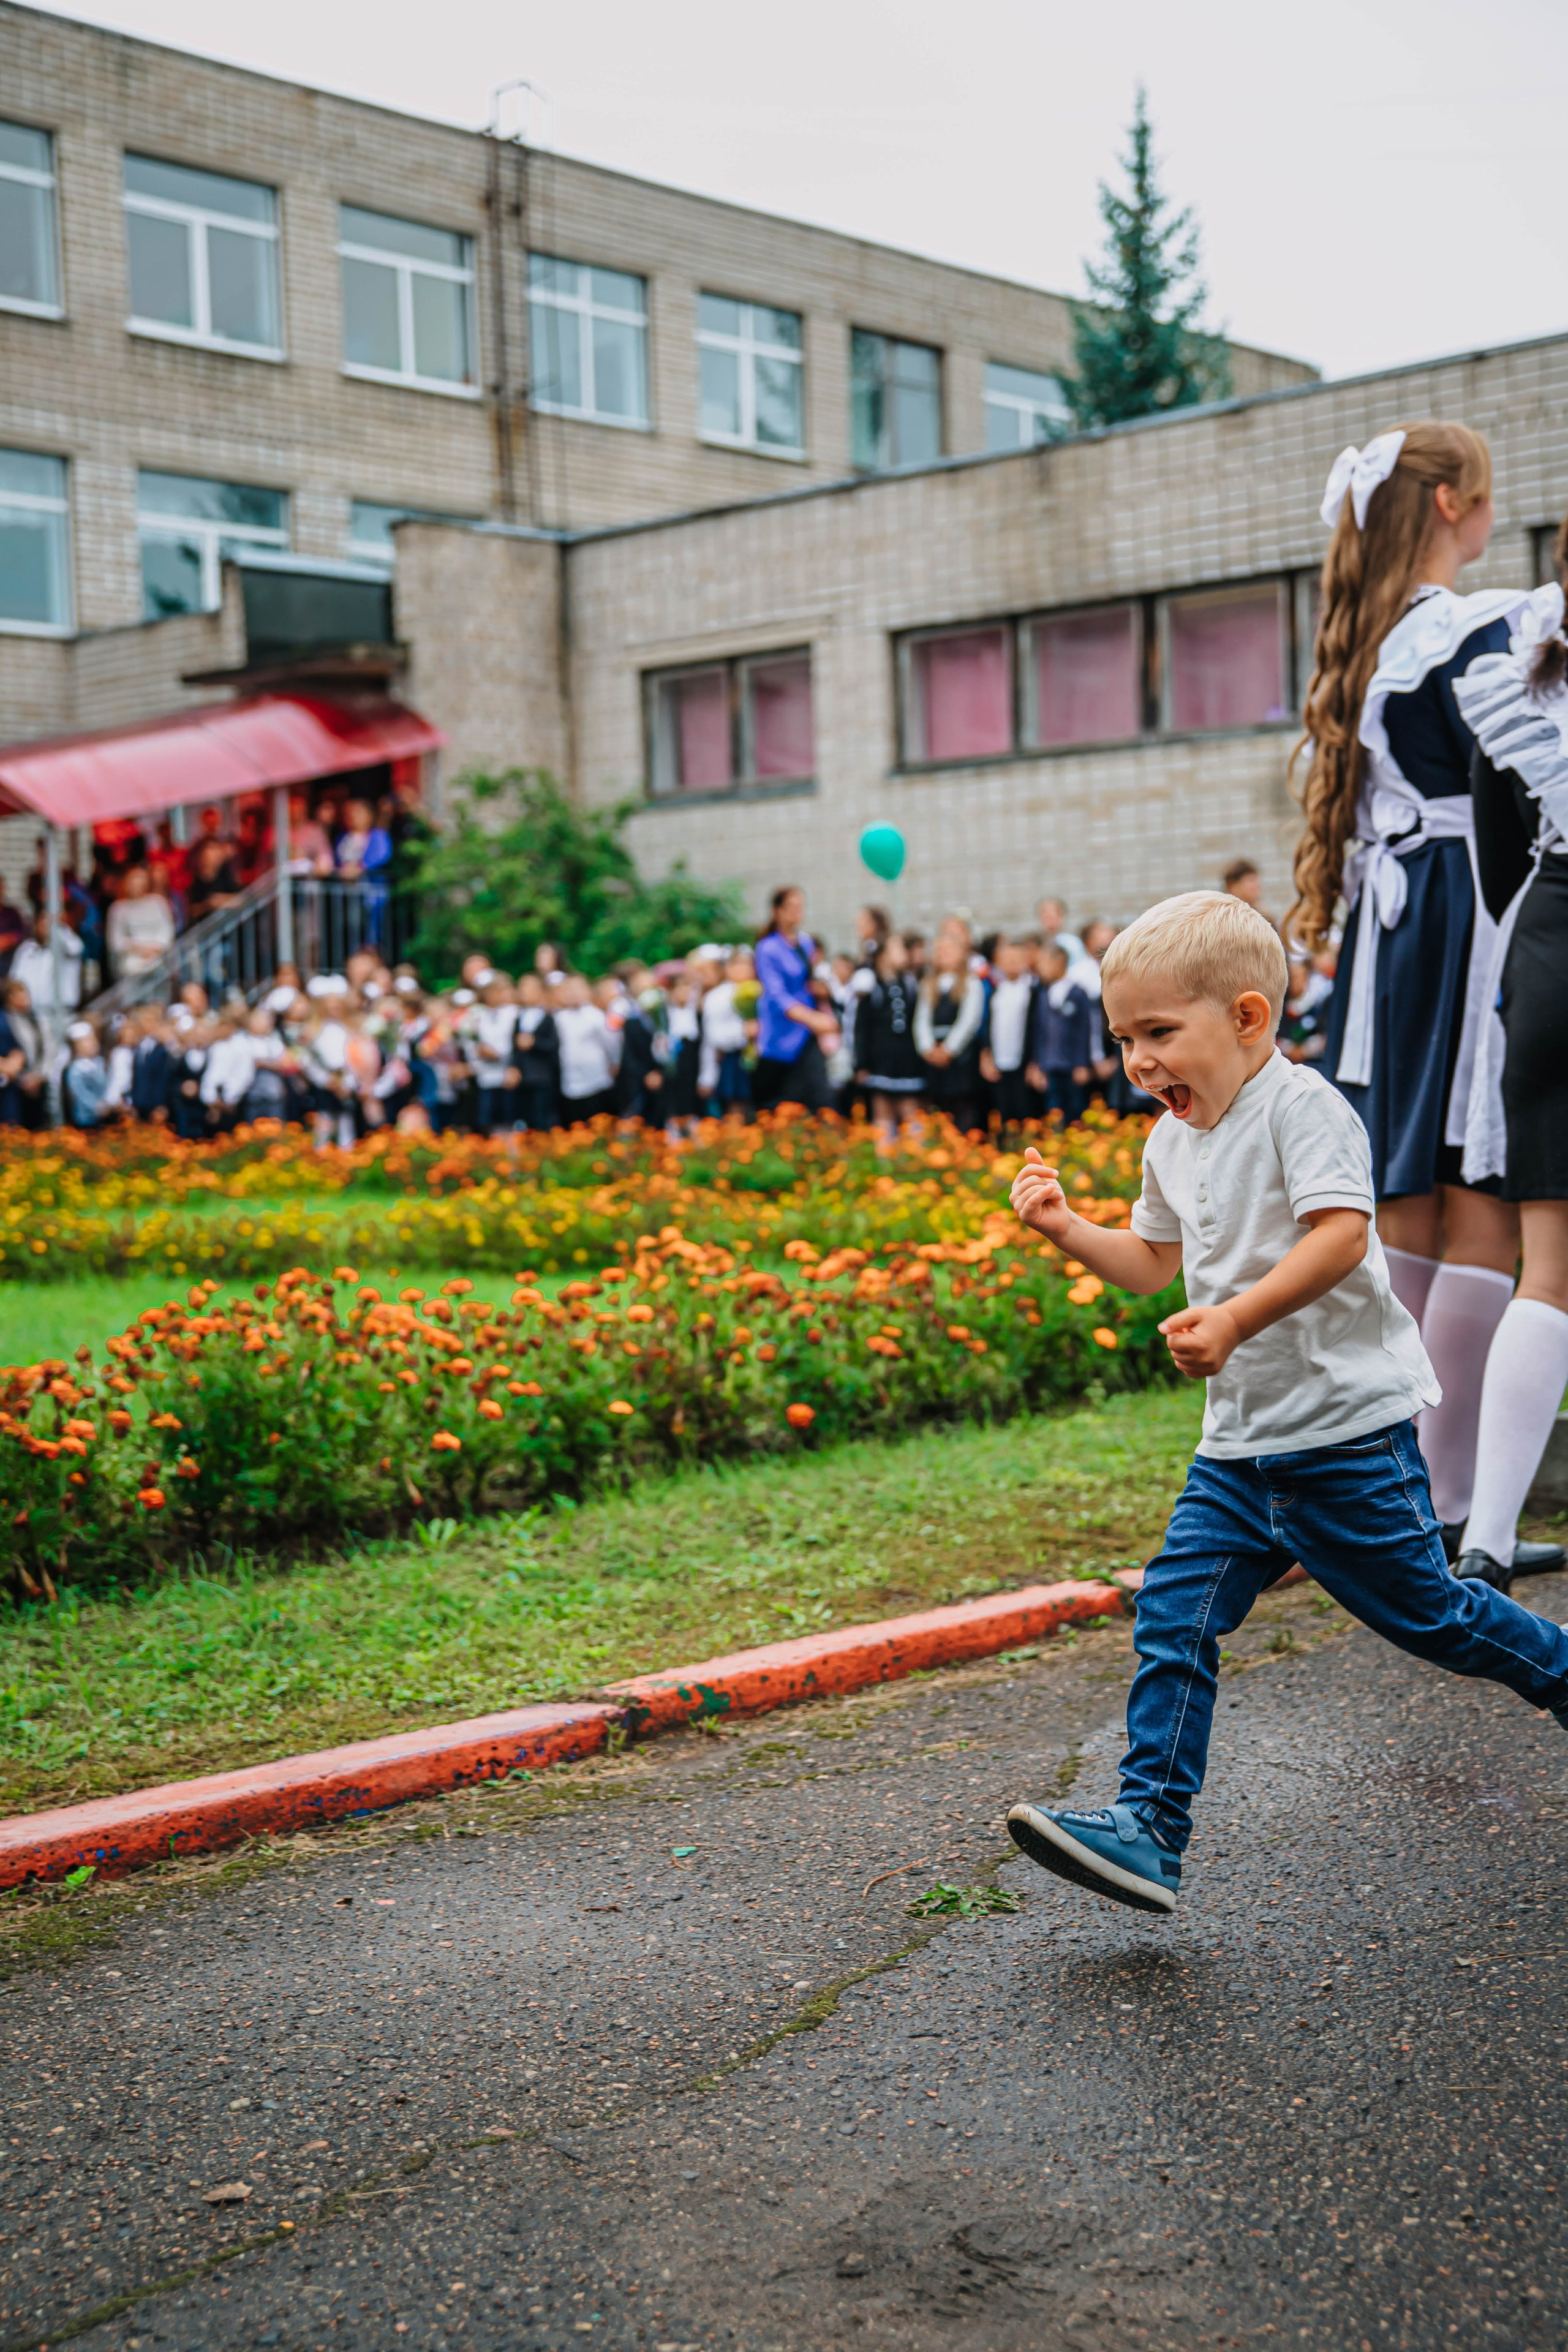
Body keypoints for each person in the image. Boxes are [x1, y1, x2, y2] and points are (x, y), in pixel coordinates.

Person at [1003, 890, 1568, 1917]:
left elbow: (1341, 1237)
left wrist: (1233, 1320)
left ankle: (1563, 1671)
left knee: (1435, 1619)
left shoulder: (1302, 1109)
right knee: (1174, 1613)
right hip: (1238, 1452)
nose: (1140, 1060)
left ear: (1249, 1019)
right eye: (1126, 1037)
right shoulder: (1169, 1144)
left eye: (1162, 1033)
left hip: (1346, 1439)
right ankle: (1148, 1831)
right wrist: (1066, 1227)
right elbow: (1149, 1264)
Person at [1293, 421, 1544, 1566]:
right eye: (1486, 495)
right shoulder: (1468, 626)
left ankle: (1390, 1495)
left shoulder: (1370, 642)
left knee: (1408, 1206)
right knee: (1483, 1202)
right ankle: (1443, 1507)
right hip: (1468, 909)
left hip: (1393, 931)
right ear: (1450, 504)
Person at [1444, 537, 1568, 1588]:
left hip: (1548, 947)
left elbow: (1497, 853)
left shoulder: (1525, 681)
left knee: (1550, 1267)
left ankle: (1484, 1534)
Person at [753, 887, 832, 1112]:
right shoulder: (767, 948)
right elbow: (777, 995)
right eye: (792, 907)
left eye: (801, 906)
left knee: (820, 1097)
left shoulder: (805, 943)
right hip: (781, 1034)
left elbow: (807, 981)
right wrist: (813, 1019)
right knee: (778, 1102)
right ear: (777, 911)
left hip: (805, 1034)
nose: (798, 912)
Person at [914, 920, 985, 1133]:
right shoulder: (929, 983)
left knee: (962, 1102)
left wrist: (949, 1050)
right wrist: (927, 1048)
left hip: (958, 1055)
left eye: (948, 950)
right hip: (934, 1051)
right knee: (939, 1105)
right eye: (939, 950)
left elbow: (969, 1020)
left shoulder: (970, 983)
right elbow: (921, 1019)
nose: (942, 954)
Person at [854, 929, 924, 1137]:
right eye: (897, 948)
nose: (903, 953)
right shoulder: (872, 987)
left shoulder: (910, 983)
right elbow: (861, 1027)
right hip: (881, 1060)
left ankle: (914, 1160)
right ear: (883, 955)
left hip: (907, 1059)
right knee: (883, 1110)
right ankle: (885, 1160)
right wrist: (861, 1063)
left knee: (910, 1108)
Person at [1027, 942, 1095, 1123]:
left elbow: (1085, 1031)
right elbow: (1039, 1031)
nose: (1040, 968)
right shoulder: (1043, 994)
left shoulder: (1078, 994)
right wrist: (1037, 1063)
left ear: (1059, 962)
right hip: (1050, 1064)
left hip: (1072, 1065)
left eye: (1044, 962)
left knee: (1076, 1110)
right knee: (1053, 1110)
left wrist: (1082, 1063)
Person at [979, 935, 1040, 1128]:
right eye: (1007, 960)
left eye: (1016, 959)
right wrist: (986, 1054)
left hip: (1024, 1063)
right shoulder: (996, 992)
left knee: (1026, 1111)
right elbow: (987, 1026)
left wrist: (1035, 1061)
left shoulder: (1033, 991)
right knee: (1003, 1112)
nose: (1012, 963)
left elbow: (1038, 1029)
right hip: (999, 1062)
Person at [553, 975, 619, 1123]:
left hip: (596, 1079)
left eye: (577, 989)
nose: (573, 994)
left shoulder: (596, 1016)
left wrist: (614, 1063)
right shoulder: (560, 1018)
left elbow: (611, 1044)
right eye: (569, 990)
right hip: (570, 1079)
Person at [105, 864, 175, 982]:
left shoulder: (158, 903)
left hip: (158, 962)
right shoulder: (118, 909)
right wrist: (140, 949)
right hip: (130, 965)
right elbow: (115, 941)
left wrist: (155, 949)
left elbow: (167, 931)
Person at [510, 973, 560, 1132]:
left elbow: (553, 1046)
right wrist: (514, 1067)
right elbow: (514, 1048)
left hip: (543, 1076)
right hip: (524, 1077)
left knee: (542, 1117)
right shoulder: (519, 1018)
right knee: (525, 1117)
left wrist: (534, 1043)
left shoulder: (549, 1018)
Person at [11, 913, 83, 1014]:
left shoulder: (68, 943)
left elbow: (76, 948)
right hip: (32, 1013)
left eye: (50, 924)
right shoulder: (27, 949)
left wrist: (60, 927)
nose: (46, 927)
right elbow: (16, 979)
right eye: (42, 923)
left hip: (63, 1012)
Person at [62, 1021, 110, 1128]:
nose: (93, 1043)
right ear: (77, 1046)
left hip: (104, 1116)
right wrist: (97, 1106)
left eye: (93, 1039)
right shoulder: (77, 1068)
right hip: (86, 1118)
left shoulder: (100, 1063)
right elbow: (80, 1092)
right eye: (87, 1041)